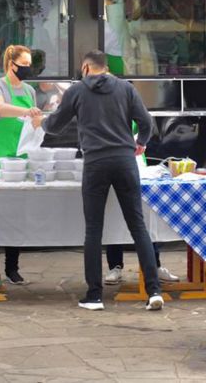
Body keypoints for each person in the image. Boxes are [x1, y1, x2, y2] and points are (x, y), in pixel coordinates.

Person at [41, 50, 165, 312]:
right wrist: (140, 143)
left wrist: (41, 121)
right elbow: (147, 122)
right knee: (138, 226)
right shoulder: (126, 89)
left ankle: (95, 296)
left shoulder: (76, 91)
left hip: (95, 163)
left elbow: (54, 126)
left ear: (86, 68)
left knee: (94, 230)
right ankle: (153, 291)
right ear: (105, 67)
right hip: (125, 161)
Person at [0, 45, 42, 285]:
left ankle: (12, 267)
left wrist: (38, 122)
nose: (27, 69)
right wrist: (27, 111)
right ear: (11, 64)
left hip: (21, 157)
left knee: (16, 214)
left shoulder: (29, 90)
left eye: (30, 65)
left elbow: (34, 120)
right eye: (24, 65)